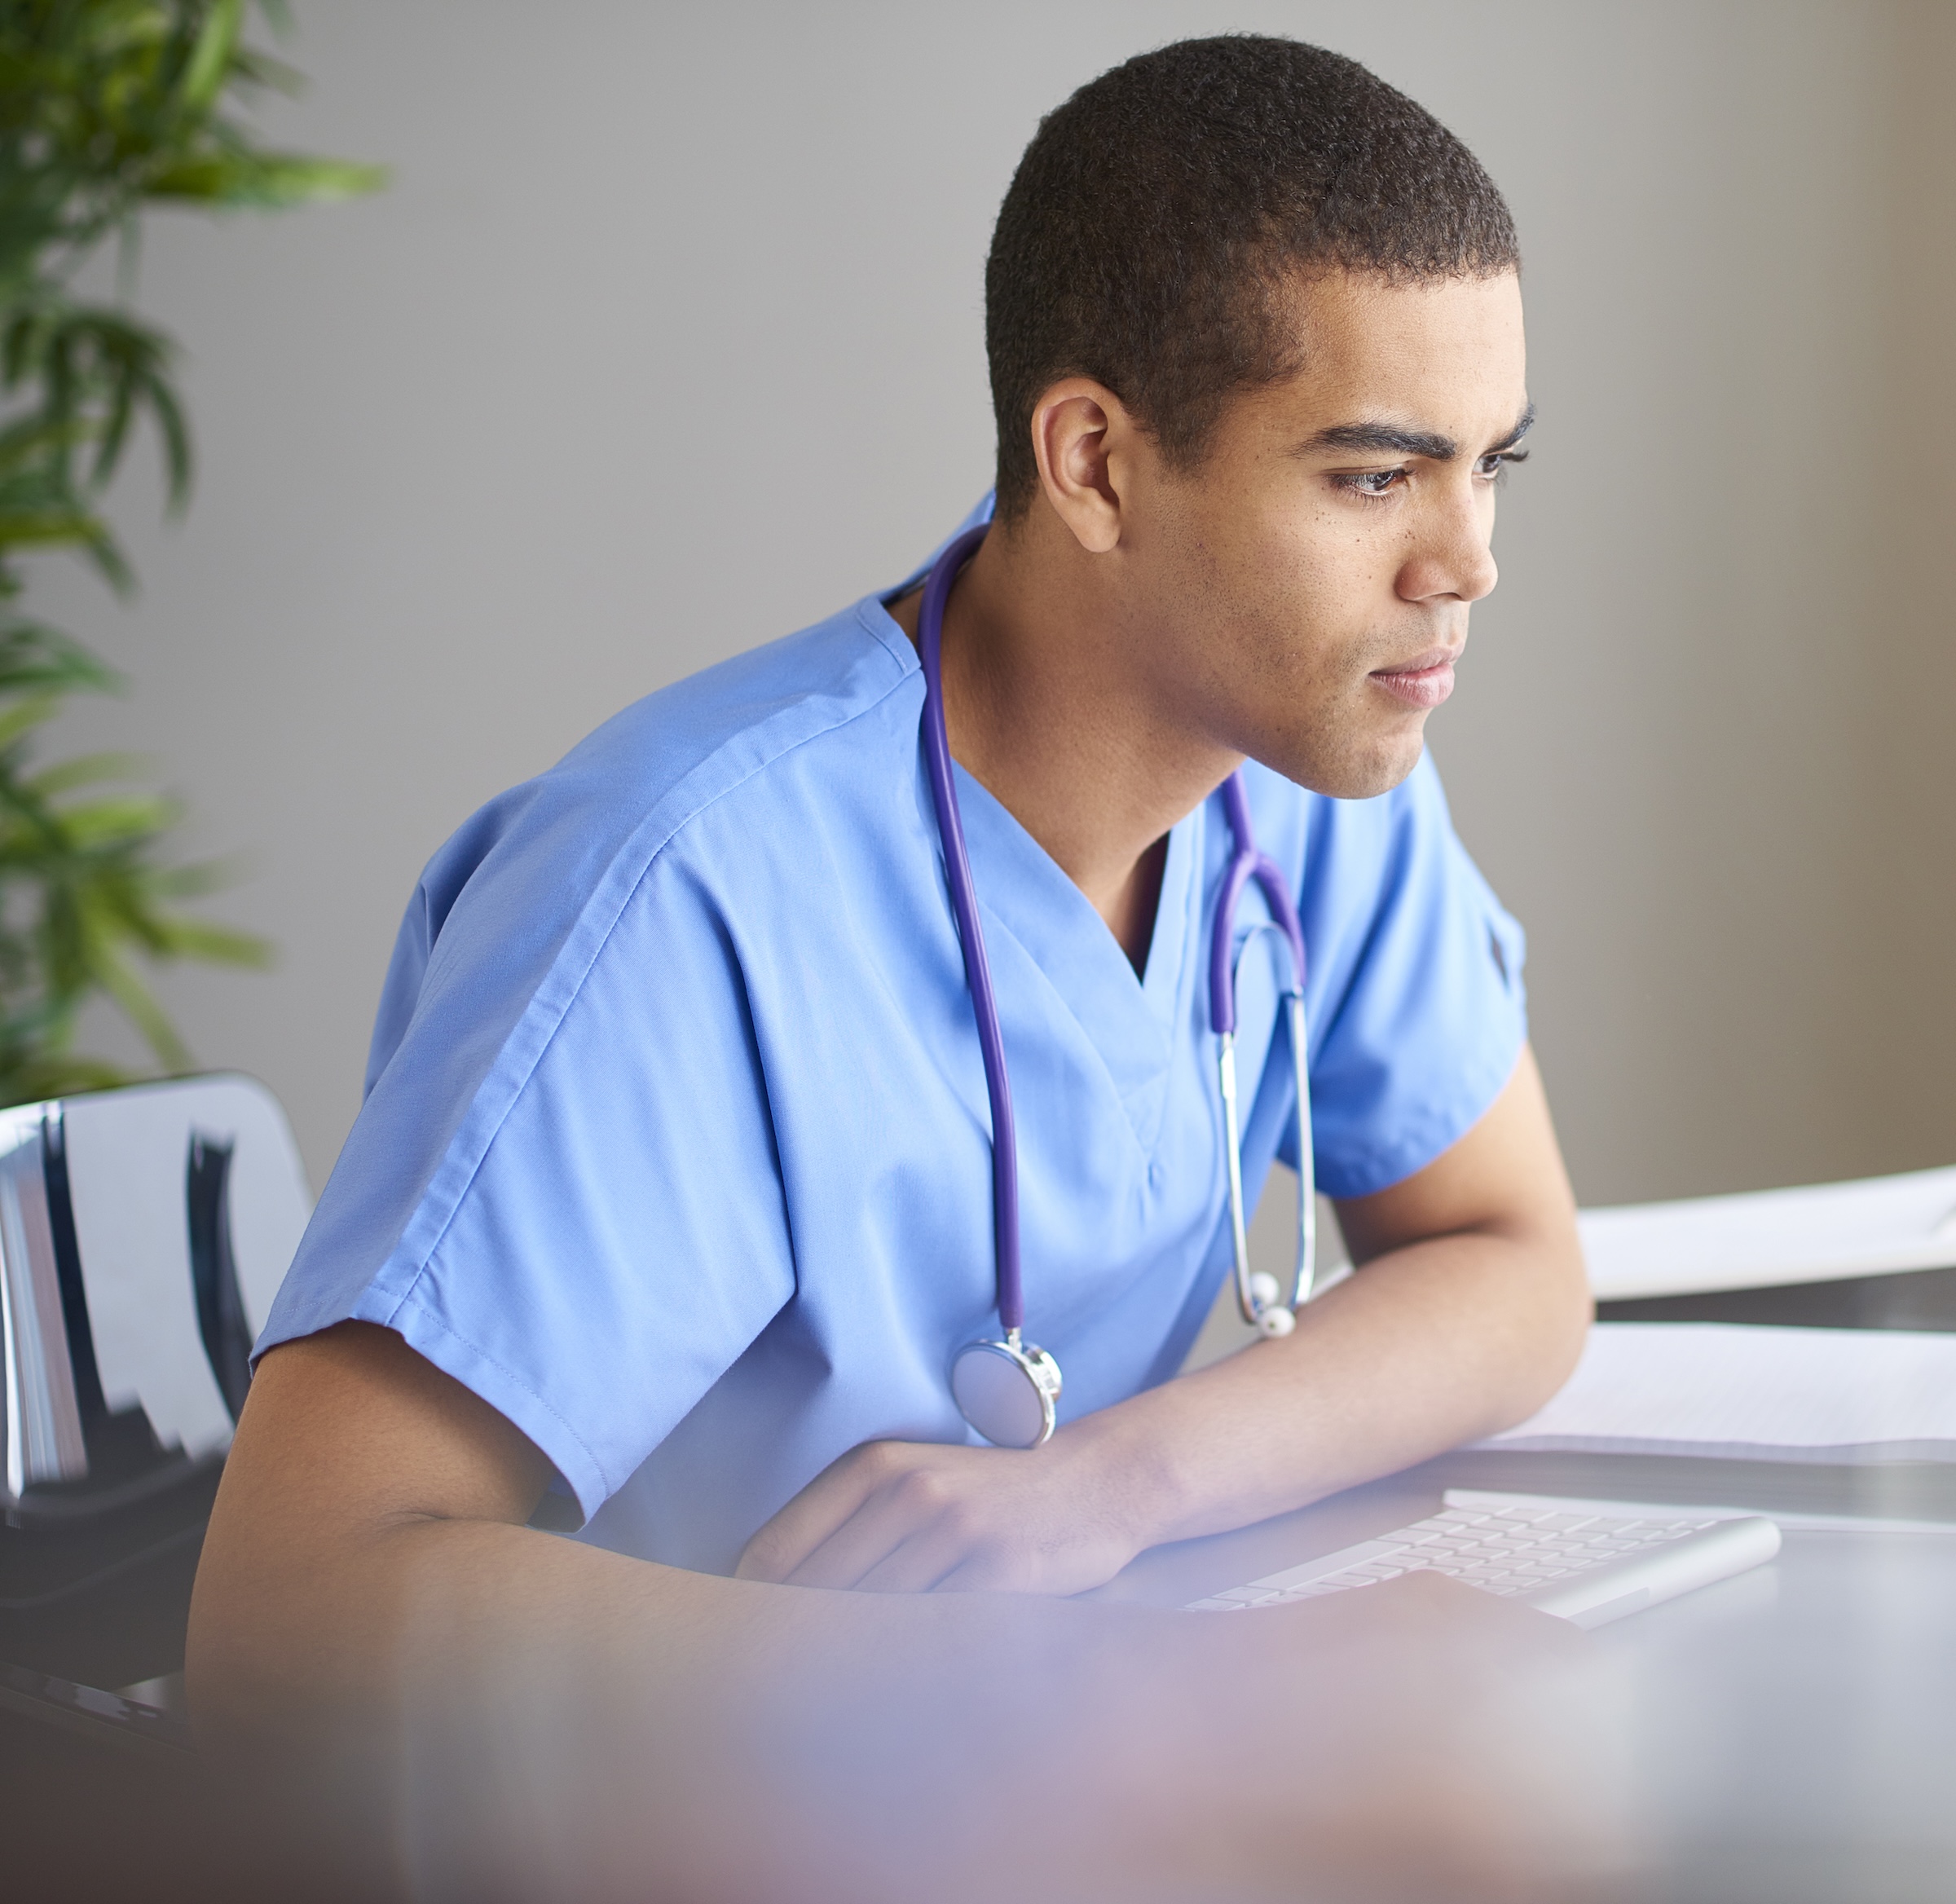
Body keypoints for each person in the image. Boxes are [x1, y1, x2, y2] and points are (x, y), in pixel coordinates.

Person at [187, 33, 1604, 1892]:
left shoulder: (1313, 773)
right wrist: (1073, 1694)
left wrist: (1114, 1487)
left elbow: (1514, 1261)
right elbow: (287, 1613)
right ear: (1094, 461)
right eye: (1371, 480)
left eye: (1489, 466)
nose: (1467, 563)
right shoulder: (686, 888)